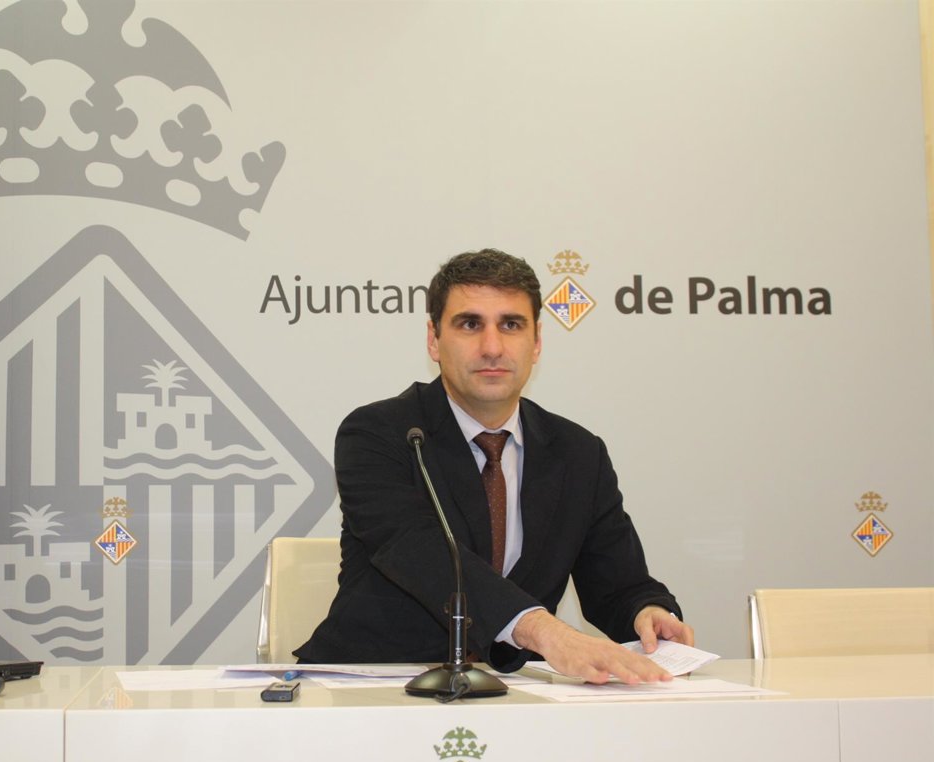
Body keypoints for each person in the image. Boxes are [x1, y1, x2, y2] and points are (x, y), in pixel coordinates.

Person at [295, 248, 694, 684]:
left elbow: (617, 584)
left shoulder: (578, 453)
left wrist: (646, 612)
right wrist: (545, 632)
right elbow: (419, 553)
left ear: (536, 342)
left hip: (517, 692)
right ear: (433, 339)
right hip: (376, 685)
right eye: (470, 324)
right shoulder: (379, 434)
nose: (492, 347)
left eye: (511, 325)